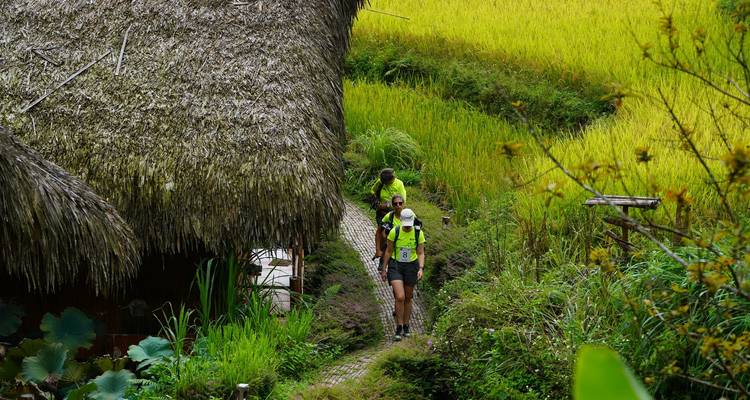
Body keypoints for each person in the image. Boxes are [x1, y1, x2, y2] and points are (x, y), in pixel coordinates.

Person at [380, 208, 425, 341]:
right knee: (400, 296)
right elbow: (388, 251)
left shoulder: (418, 233)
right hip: (396, 265)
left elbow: (421, 252)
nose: (406, 226)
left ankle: (406, 325)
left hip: (411, 266)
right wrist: (384, 269)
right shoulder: (395, 231)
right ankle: (398, 326)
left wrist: (421, 268)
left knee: (408, 297)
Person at [370, 168, 406, 260]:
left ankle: (386, 256)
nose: (395, 178)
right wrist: (377, 202)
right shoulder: (380, 182)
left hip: (393, 214)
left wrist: (387, 205)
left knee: (389, 235)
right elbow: (372, 191)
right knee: (382, 233)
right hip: (381, 214)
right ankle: (381, 255)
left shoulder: (399, 184)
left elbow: (402, 201)